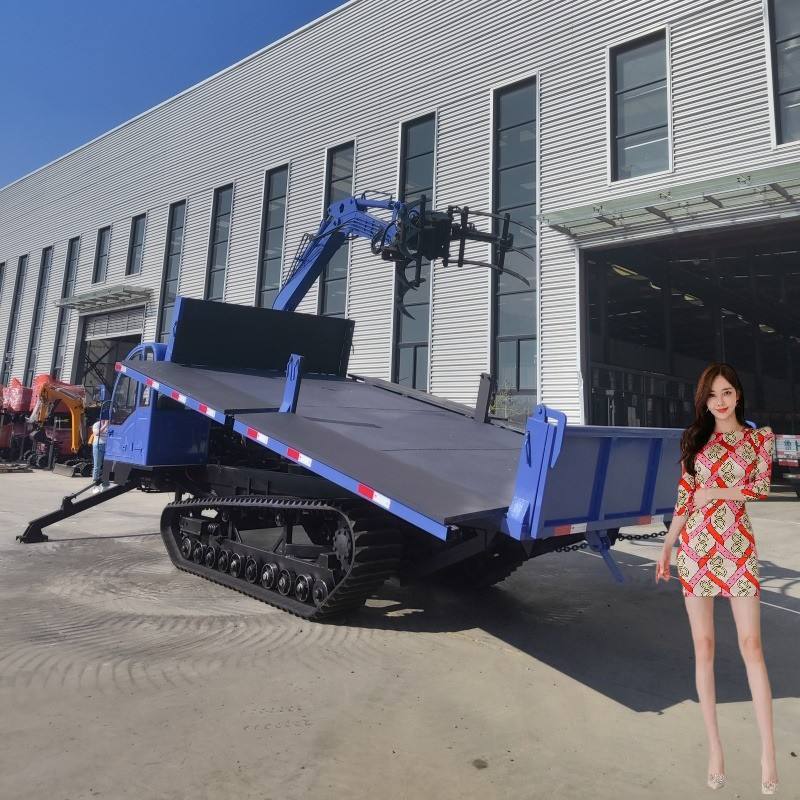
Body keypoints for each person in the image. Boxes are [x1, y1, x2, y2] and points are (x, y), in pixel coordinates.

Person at [655, 363, 778, 795]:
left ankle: (768, 753)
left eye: (726, 392)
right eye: (712, 395)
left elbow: (761, 487)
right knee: (703, 647)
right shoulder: (695, 439)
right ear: (704, 401)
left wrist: (717, 492)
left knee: (751, 645)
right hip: (696, 549)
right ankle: (715, 749)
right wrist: (668, 545)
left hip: (738, 547)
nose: (720, 401)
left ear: (738, 395)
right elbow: (685, 498)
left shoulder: (759, 439)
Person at [91, 414, 109, 492]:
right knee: (97, 466)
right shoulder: (96, 424)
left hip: (107, 446)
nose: (105, 420)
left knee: (107, 466)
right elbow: (96, 433)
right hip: (98, 445)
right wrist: (105, 425)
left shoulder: (110, 425)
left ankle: (105, 485)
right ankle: (95, 486)